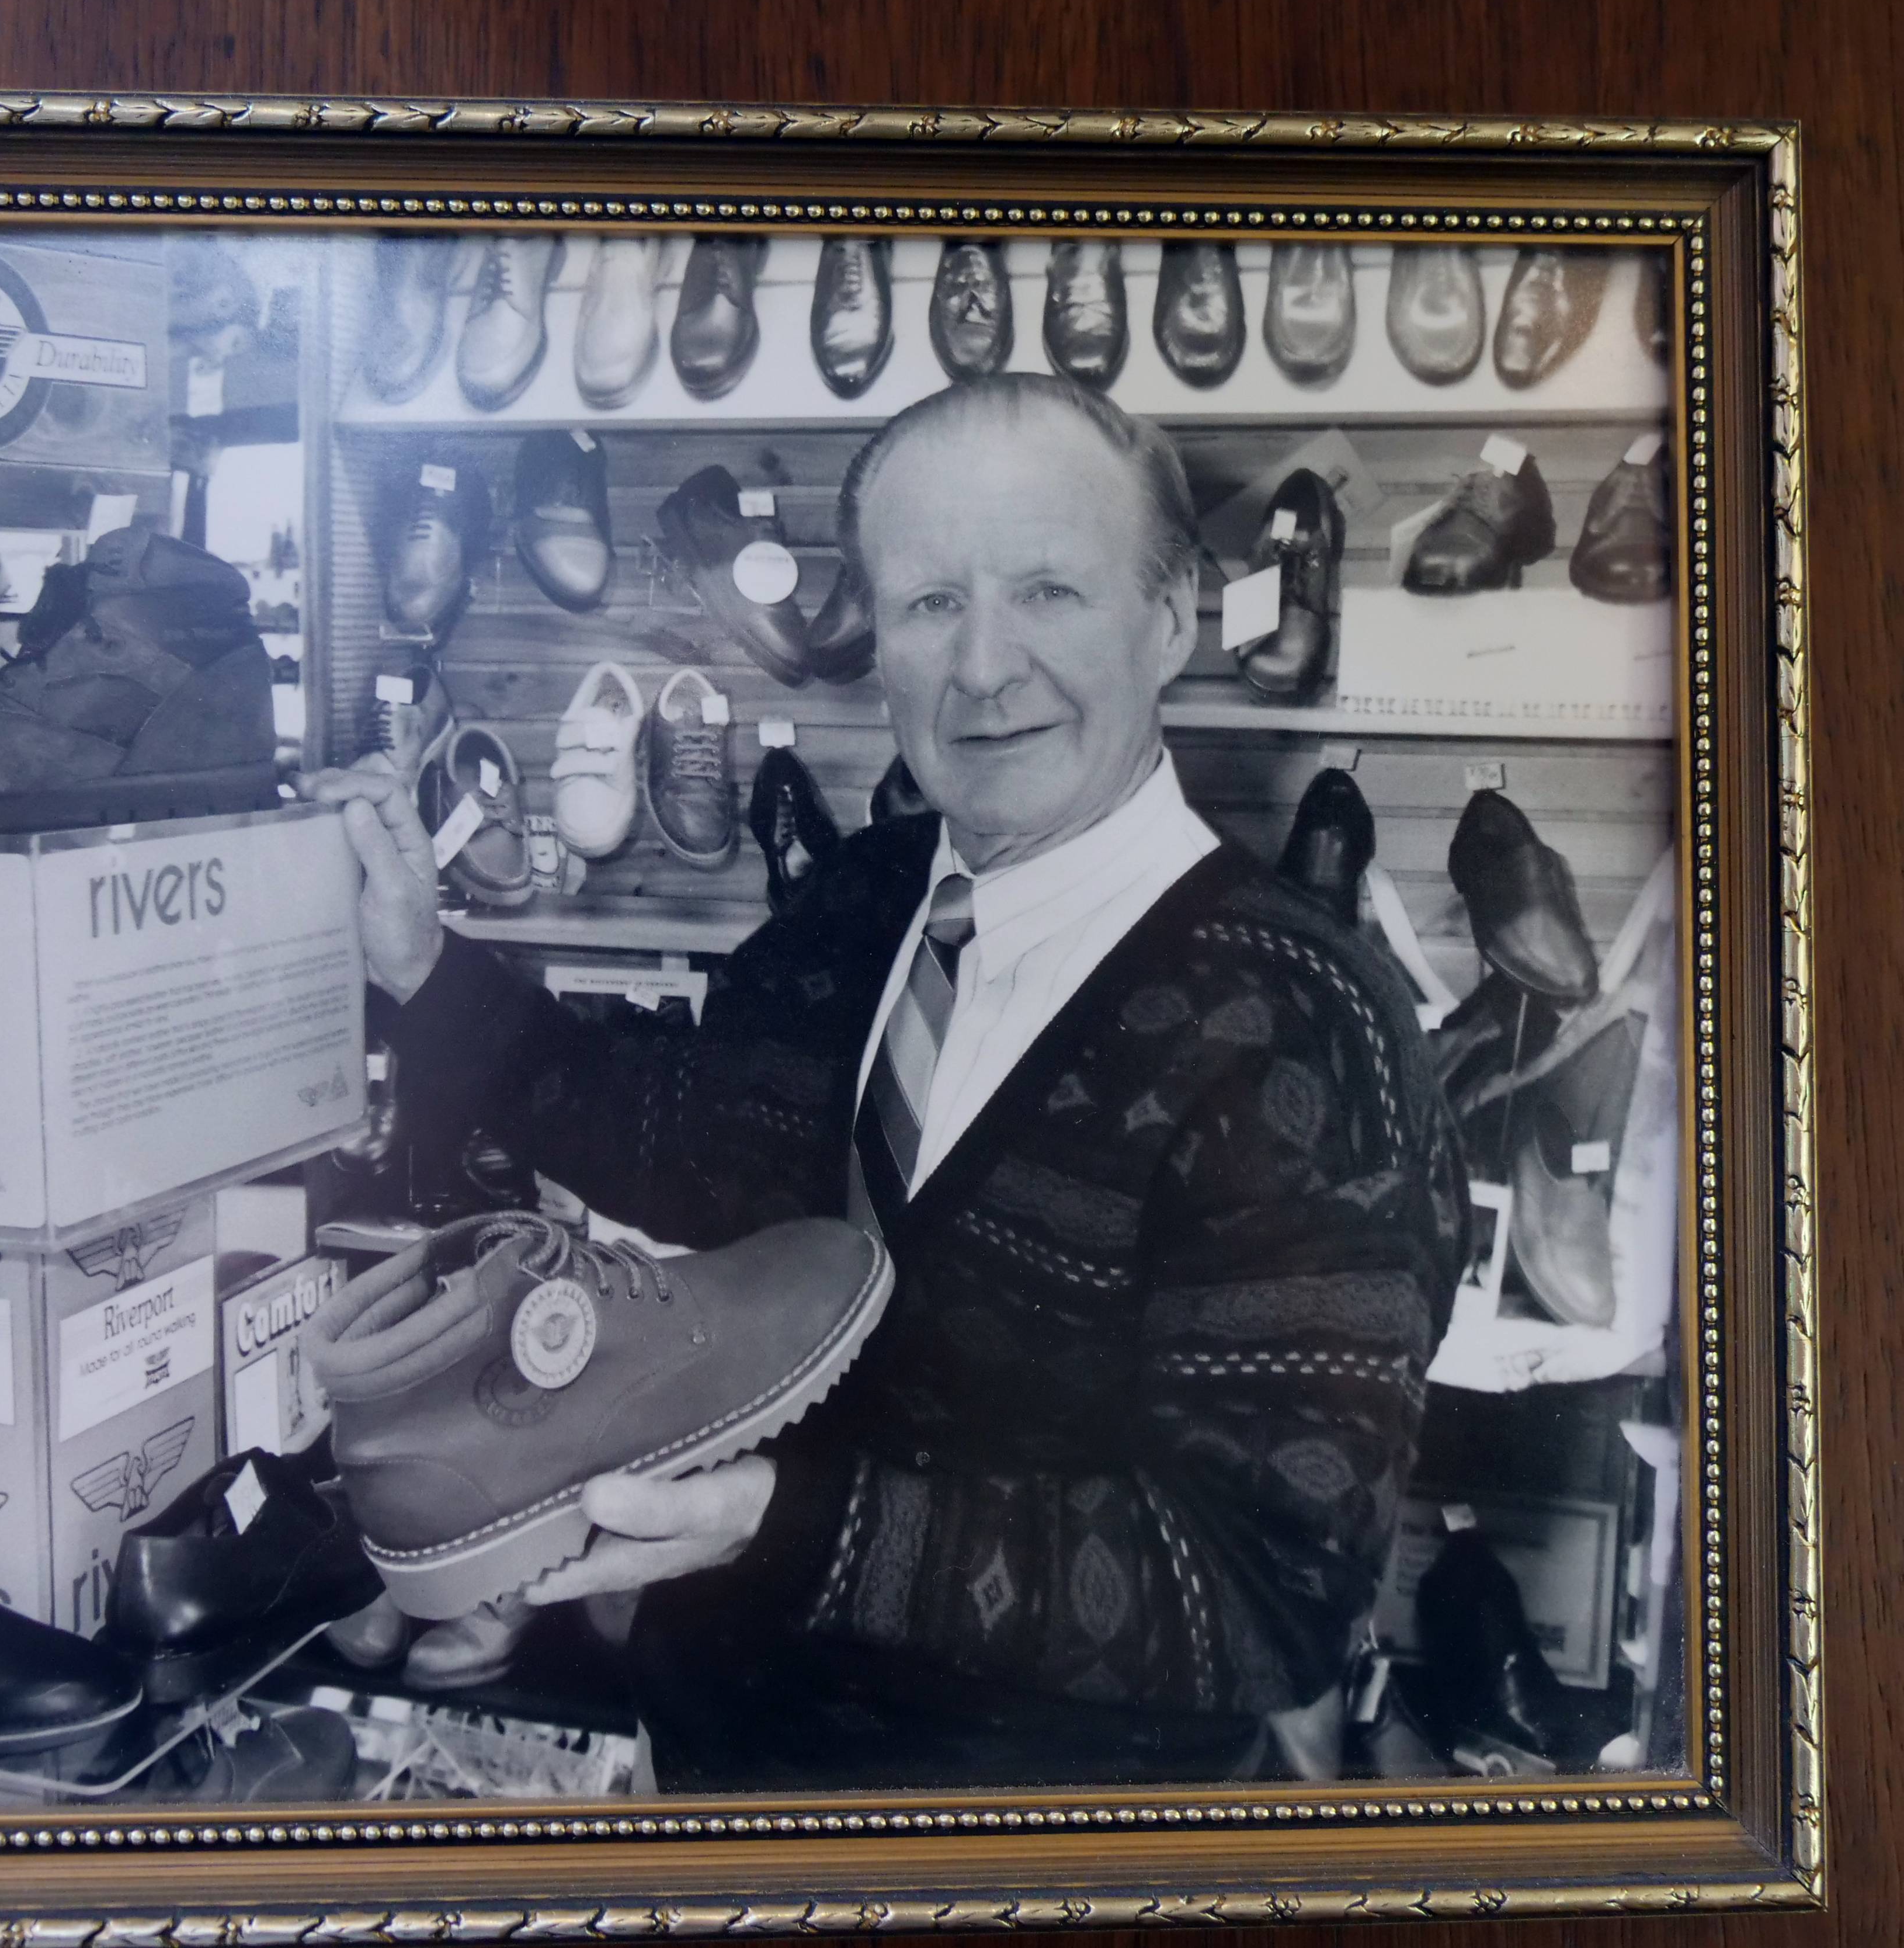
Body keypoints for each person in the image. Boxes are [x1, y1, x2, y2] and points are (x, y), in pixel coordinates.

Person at [303, 373, 1462, 1791]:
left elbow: (1270, 1595)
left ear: (1169, 622)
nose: (983, 667)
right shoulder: (859, 901)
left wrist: (786, 1524)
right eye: (928, 604)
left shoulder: (1305, 1024)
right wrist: (427, 967)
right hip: (721, 1759)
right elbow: (690, 1140)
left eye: (1048, 592)